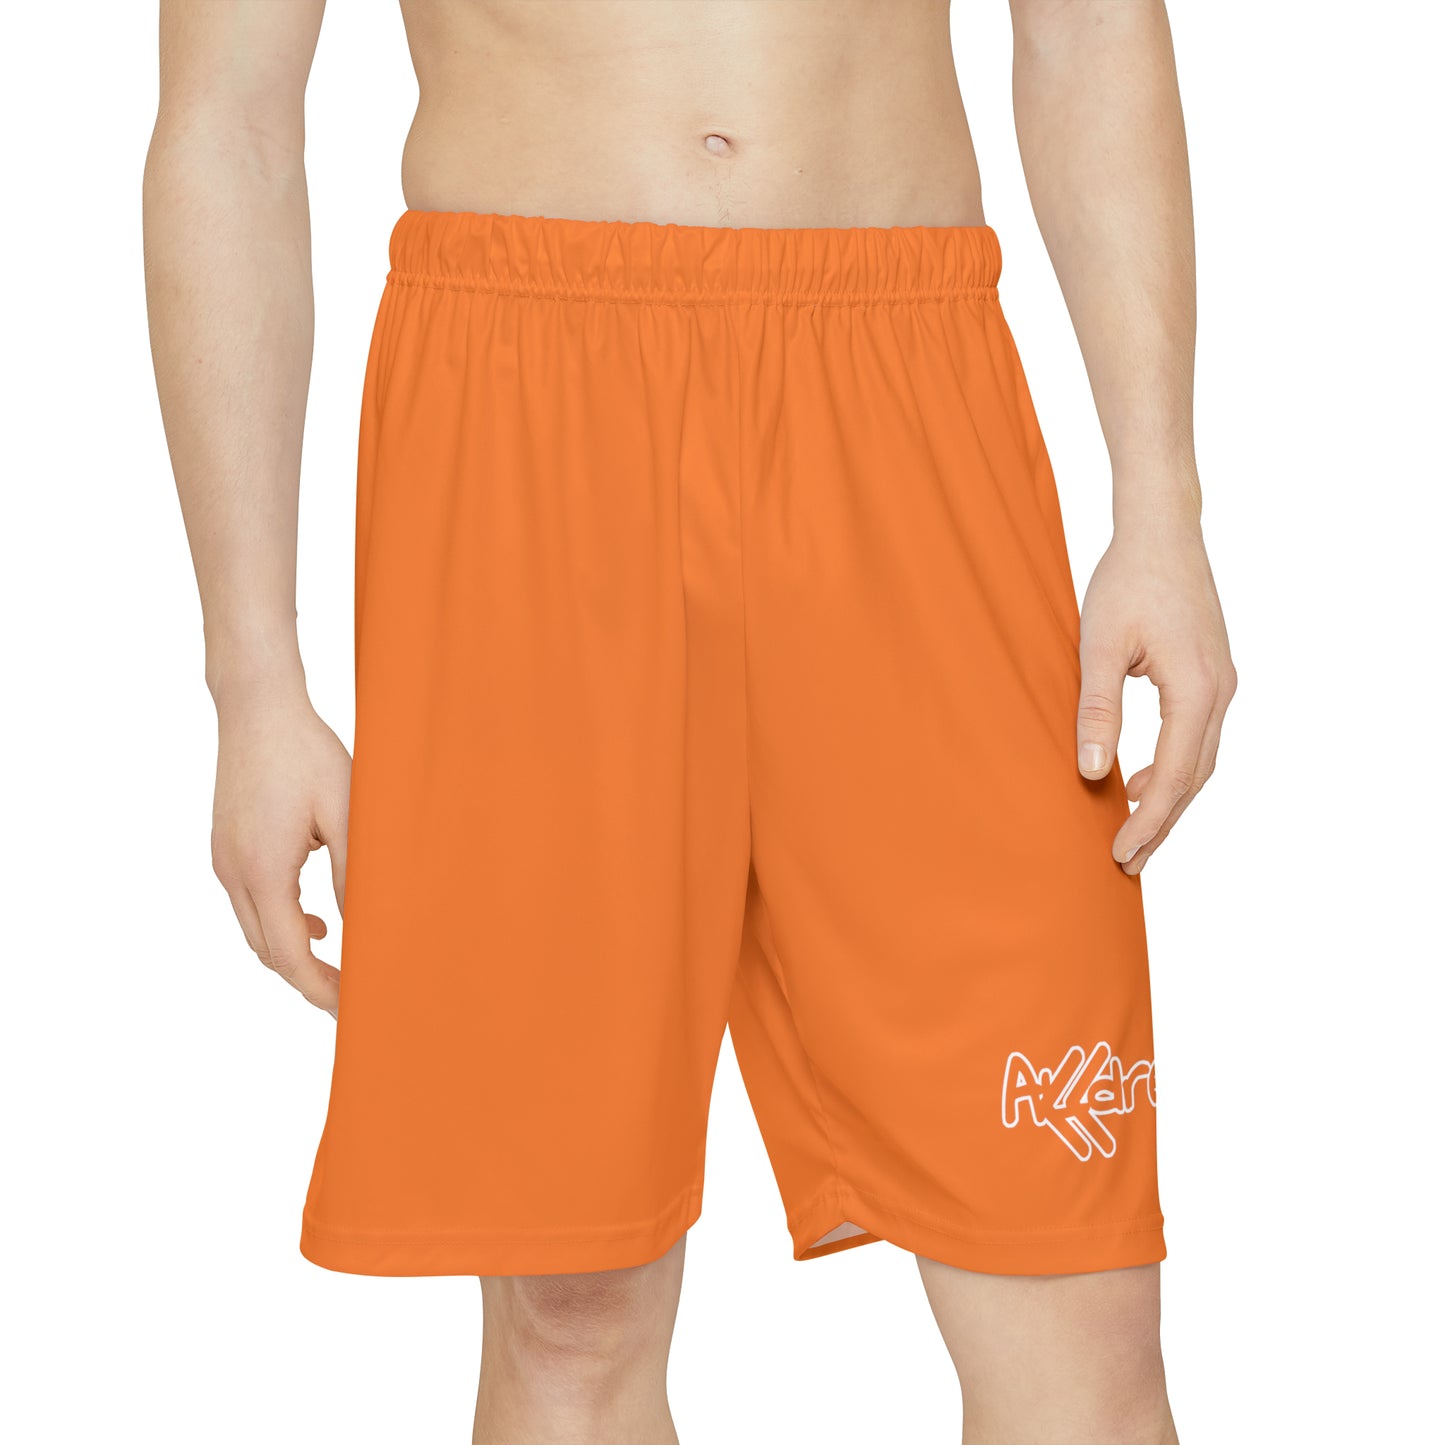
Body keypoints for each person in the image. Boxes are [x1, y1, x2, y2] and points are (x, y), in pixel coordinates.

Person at [144, 2, 1235, 1441]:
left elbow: (1089, 28)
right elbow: (226, 121)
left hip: (906, 392)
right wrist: (252, 682)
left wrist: (1160, 505)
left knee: (1071, 1276)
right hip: (526, 412)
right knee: (568, 1303)